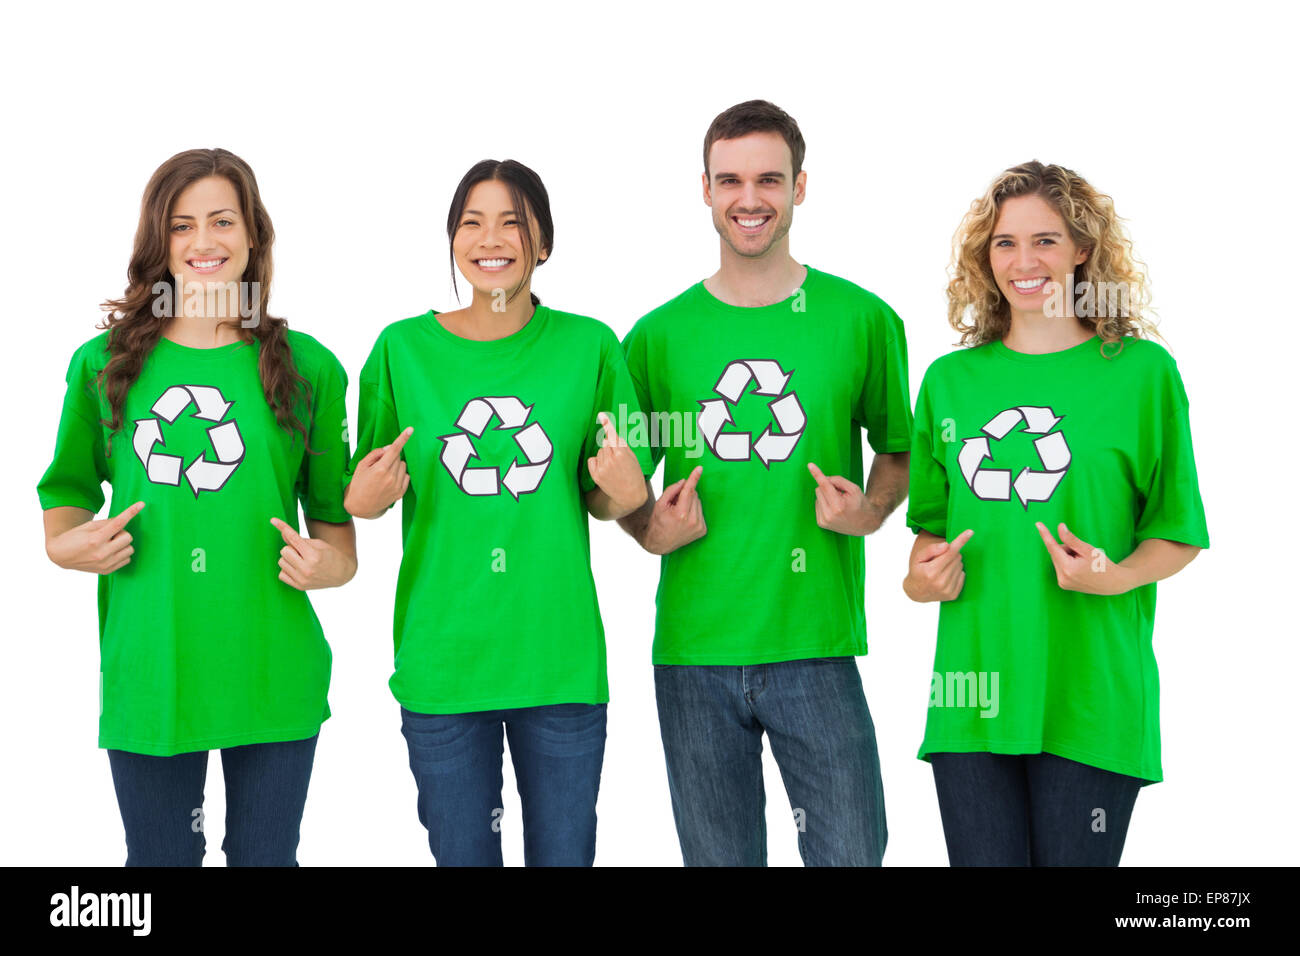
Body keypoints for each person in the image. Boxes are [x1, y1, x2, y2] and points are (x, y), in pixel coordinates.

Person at [38, 148, 356, 866]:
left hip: (272, 669)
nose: (204, 243)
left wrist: (327, 567)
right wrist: (67, 546)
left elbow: (337, 534)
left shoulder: (309, 367)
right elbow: (64, 494)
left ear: (253, 236)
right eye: (182, 226)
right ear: (160, 241)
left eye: (222, 221)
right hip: (153, 669)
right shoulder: (105, 365)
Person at [618, 100, 912, 866]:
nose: (750, 199)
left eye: (769, 180)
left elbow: (900, 448)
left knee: (850, 853)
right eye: (731, 181)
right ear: (705, 190)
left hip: (814, 641)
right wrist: (648, 525)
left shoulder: (862, 320)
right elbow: (612, 479)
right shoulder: (655, 336)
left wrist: (872, 512)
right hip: (694, 649)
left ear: (801, 187)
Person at [344, 159, 653, 867]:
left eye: (513, 221)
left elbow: (608, 497)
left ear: (543, 242)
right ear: (452, 239)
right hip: (444, 660)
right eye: (472, 222)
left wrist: (627, 493)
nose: (492, 239)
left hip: (558, 660)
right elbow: (361, 494)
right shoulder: (400, 350)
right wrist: (368, 495)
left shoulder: (590, 346)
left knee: (564, 857)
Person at [903, 160, 1208, 866]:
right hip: (971, 700)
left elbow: (1178, 530)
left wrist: (1118, 574)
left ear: (1081, 251)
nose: (1024, 260)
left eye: (1045, 240)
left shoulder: (1141, 374)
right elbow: (928, 537)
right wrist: (922, 582)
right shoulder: (950, 382)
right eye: (1005, 243)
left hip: (1091, 695)